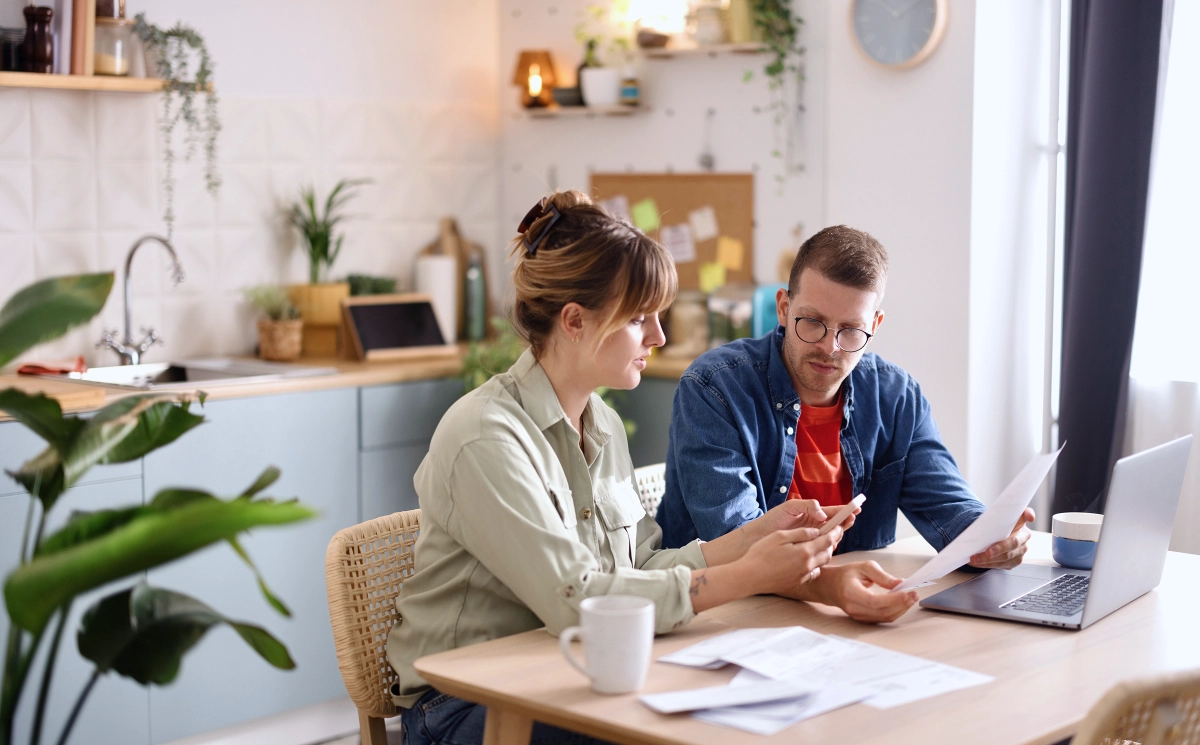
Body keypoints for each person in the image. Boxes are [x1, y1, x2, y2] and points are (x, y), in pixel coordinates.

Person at [388, 191, 852, 745]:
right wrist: (749, 576)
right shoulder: (486, 435)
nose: (658, 337)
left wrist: (754, 538)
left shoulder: (601, 422)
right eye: (640, 319)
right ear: (576, 321)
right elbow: (580, 600)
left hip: (568, 667)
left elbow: (639, 566)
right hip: (465, 704)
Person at [655, 225, 1036, 623]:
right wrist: (831, 586)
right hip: (718, 616)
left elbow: (951, 508)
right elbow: (735, 542)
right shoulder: (714, 387)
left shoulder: (896, 396)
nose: (829, 346)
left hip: (842, 616)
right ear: (784, 308)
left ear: (876, 324)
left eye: (851, 330)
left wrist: (992, 538)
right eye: (812, 322)